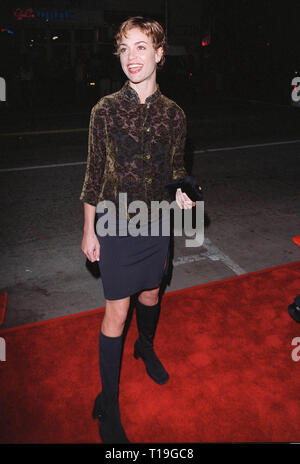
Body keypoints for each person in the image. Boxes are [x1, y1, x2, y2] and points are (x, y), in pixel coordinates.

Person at [80, 16, 200, 444]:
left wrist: (183, 189)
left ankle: (145, 346)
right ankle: (108, 405)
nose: (132, 57)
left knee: (151, 294)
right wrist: (89, 229)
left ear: (160, 53)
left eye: (141, 47)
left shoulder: (175, 115)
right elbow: (94, 174)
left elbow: (178, 168)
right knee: (117, 310)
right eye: (125, 48)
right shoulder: (106, 111)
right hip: (115, 221)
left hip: (157, 223)